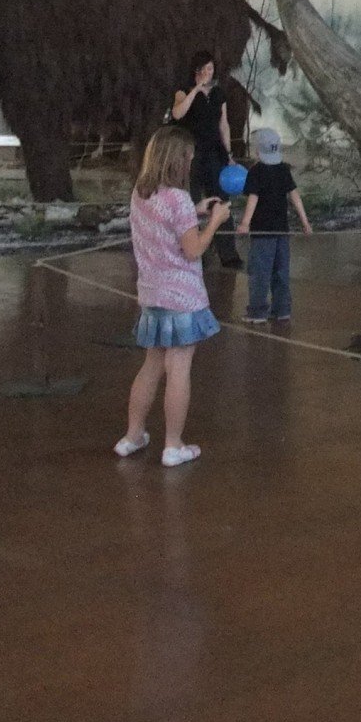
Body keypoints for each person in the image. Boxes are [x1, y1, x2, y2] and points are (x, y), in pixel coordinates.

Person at [114, 126, 227, 467]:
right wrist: (215, 221)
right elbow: (193, 249)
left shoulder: (141, 193)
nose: (191, 162)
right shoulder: (177, 199)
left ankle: (132, 436)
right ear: (178, 160)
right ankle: (173, 445)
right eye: (188, 157)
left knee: (151, 366)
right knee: (178, 367)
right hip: (181, 299)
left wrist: (196, 210)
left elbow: (167, 222)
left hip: (152, 295)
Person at [171, 50, 242, 270]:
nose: (207, 73)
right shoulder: (183, 91)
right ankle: (189, 247)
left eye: (210, 69)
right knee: (190, 200)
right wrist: (196, 90)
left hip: (214, 153)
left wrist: (229, 154)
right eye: (203, 69)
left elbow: (223, 124)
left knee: (221, 199)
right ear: (196, 71)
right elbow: (177, 114)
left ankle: (228, 253)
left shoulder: (218, 93)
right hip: (191, 154)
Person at [236, 126, 310, 323]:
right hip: (282, 232)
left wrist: (245, 223)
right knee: (281, 272)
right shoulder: (283, 170)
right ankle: (282, 309)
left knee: (260, 273)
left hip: (262, 233)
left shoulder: (256, 172)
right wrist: (305, 222)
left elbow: (253, 198)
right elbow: (295, 196)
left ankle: (257, 312)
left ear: (257, 151)